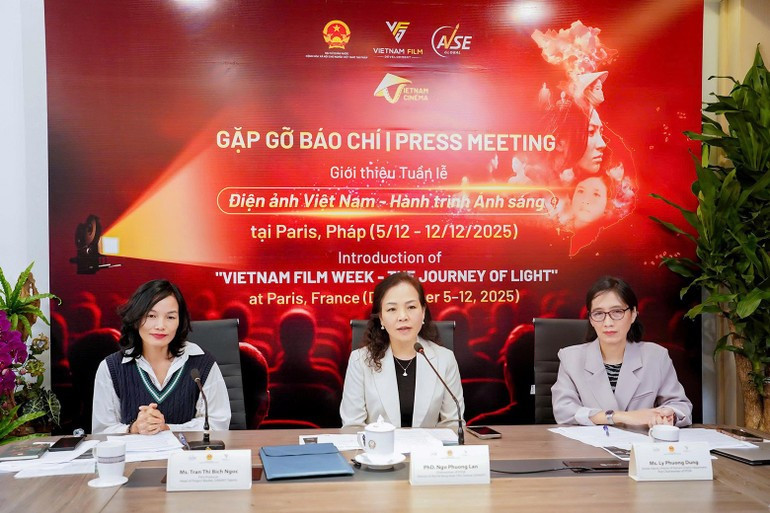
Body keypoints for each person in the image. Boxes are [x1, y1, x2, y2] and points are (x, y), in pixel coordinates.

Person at [92, 279, 231, 434]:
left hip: (185, 450)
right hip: (134, 451)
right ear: (136, 318)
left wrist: (166, 428)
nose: (160, 326)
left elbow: (217, 424)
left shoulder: (202, 363)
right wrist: (134, 428)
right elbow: (102, 431)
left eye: (170, 317)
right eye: (151, 316)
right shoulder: (111, 367)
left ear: (180, 321)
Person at [551, 276, 692, 427]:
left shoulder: (656, 356)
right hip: (589, 442)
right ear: (591, 319)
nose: (608, 323)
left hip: (640, 441)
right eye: (598, 313)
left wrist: (669, 415)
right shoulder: (570, 358)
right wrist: (620, 417)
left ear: (633, 314)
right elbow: (564, 411)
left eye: (617, 312)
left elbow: (680, 406)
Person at [340, 272, 465, 428]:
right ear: (381, 318)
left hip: (430, 445)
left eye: (411, 307)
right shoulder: (360, 360)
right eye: (392, 309)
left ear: (423, 312)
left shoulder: (444, 359)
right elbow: (352, 426)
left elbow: (453, 424)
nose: (403, 316)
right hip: (377, 444)